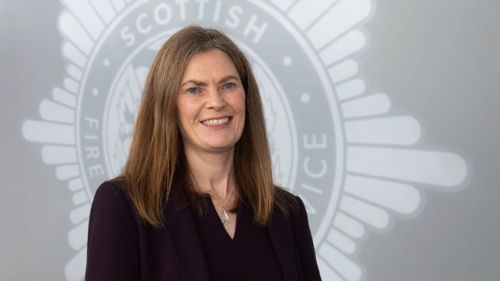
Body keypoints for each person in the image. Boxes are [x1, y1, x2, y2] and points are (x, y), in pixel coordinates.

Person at [85, 25, 322, 281]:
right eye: (194, 89)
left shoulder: (286, 212)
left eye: (228, 85)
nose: (216, 102)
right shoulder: (124, 206)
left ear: (246, 97)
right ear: (167, 105)